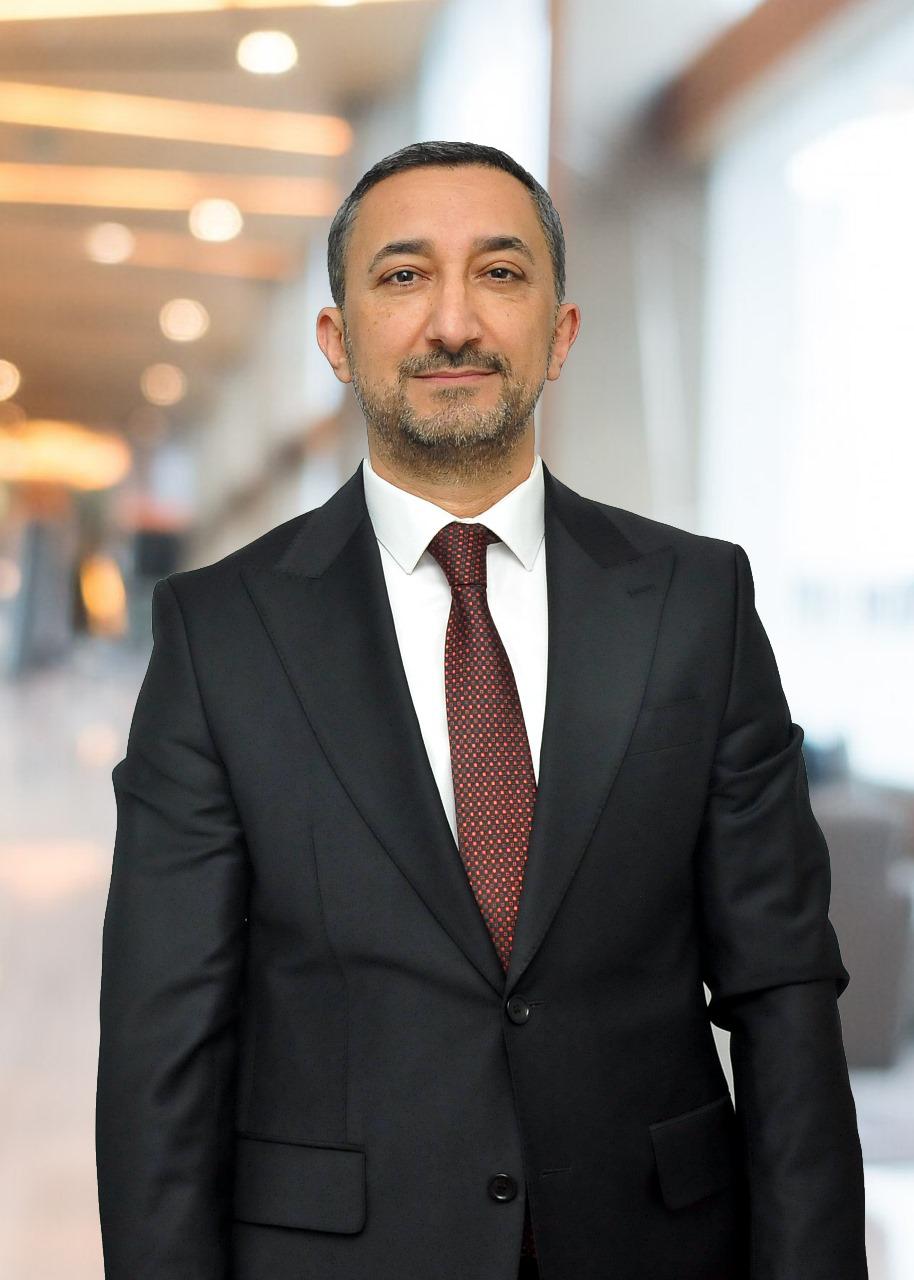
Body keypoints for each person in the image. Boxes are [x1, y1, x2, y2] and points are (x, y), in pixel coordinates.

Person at [95, 141, 867, 1280]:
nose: (452, 322)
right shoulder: (220, 633)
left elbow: (784, 993)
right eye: (404, 276)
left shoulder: (695, 602)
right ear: (336, 339)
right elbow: (164, 1040)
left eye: (499, 274)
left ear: (560, 333)